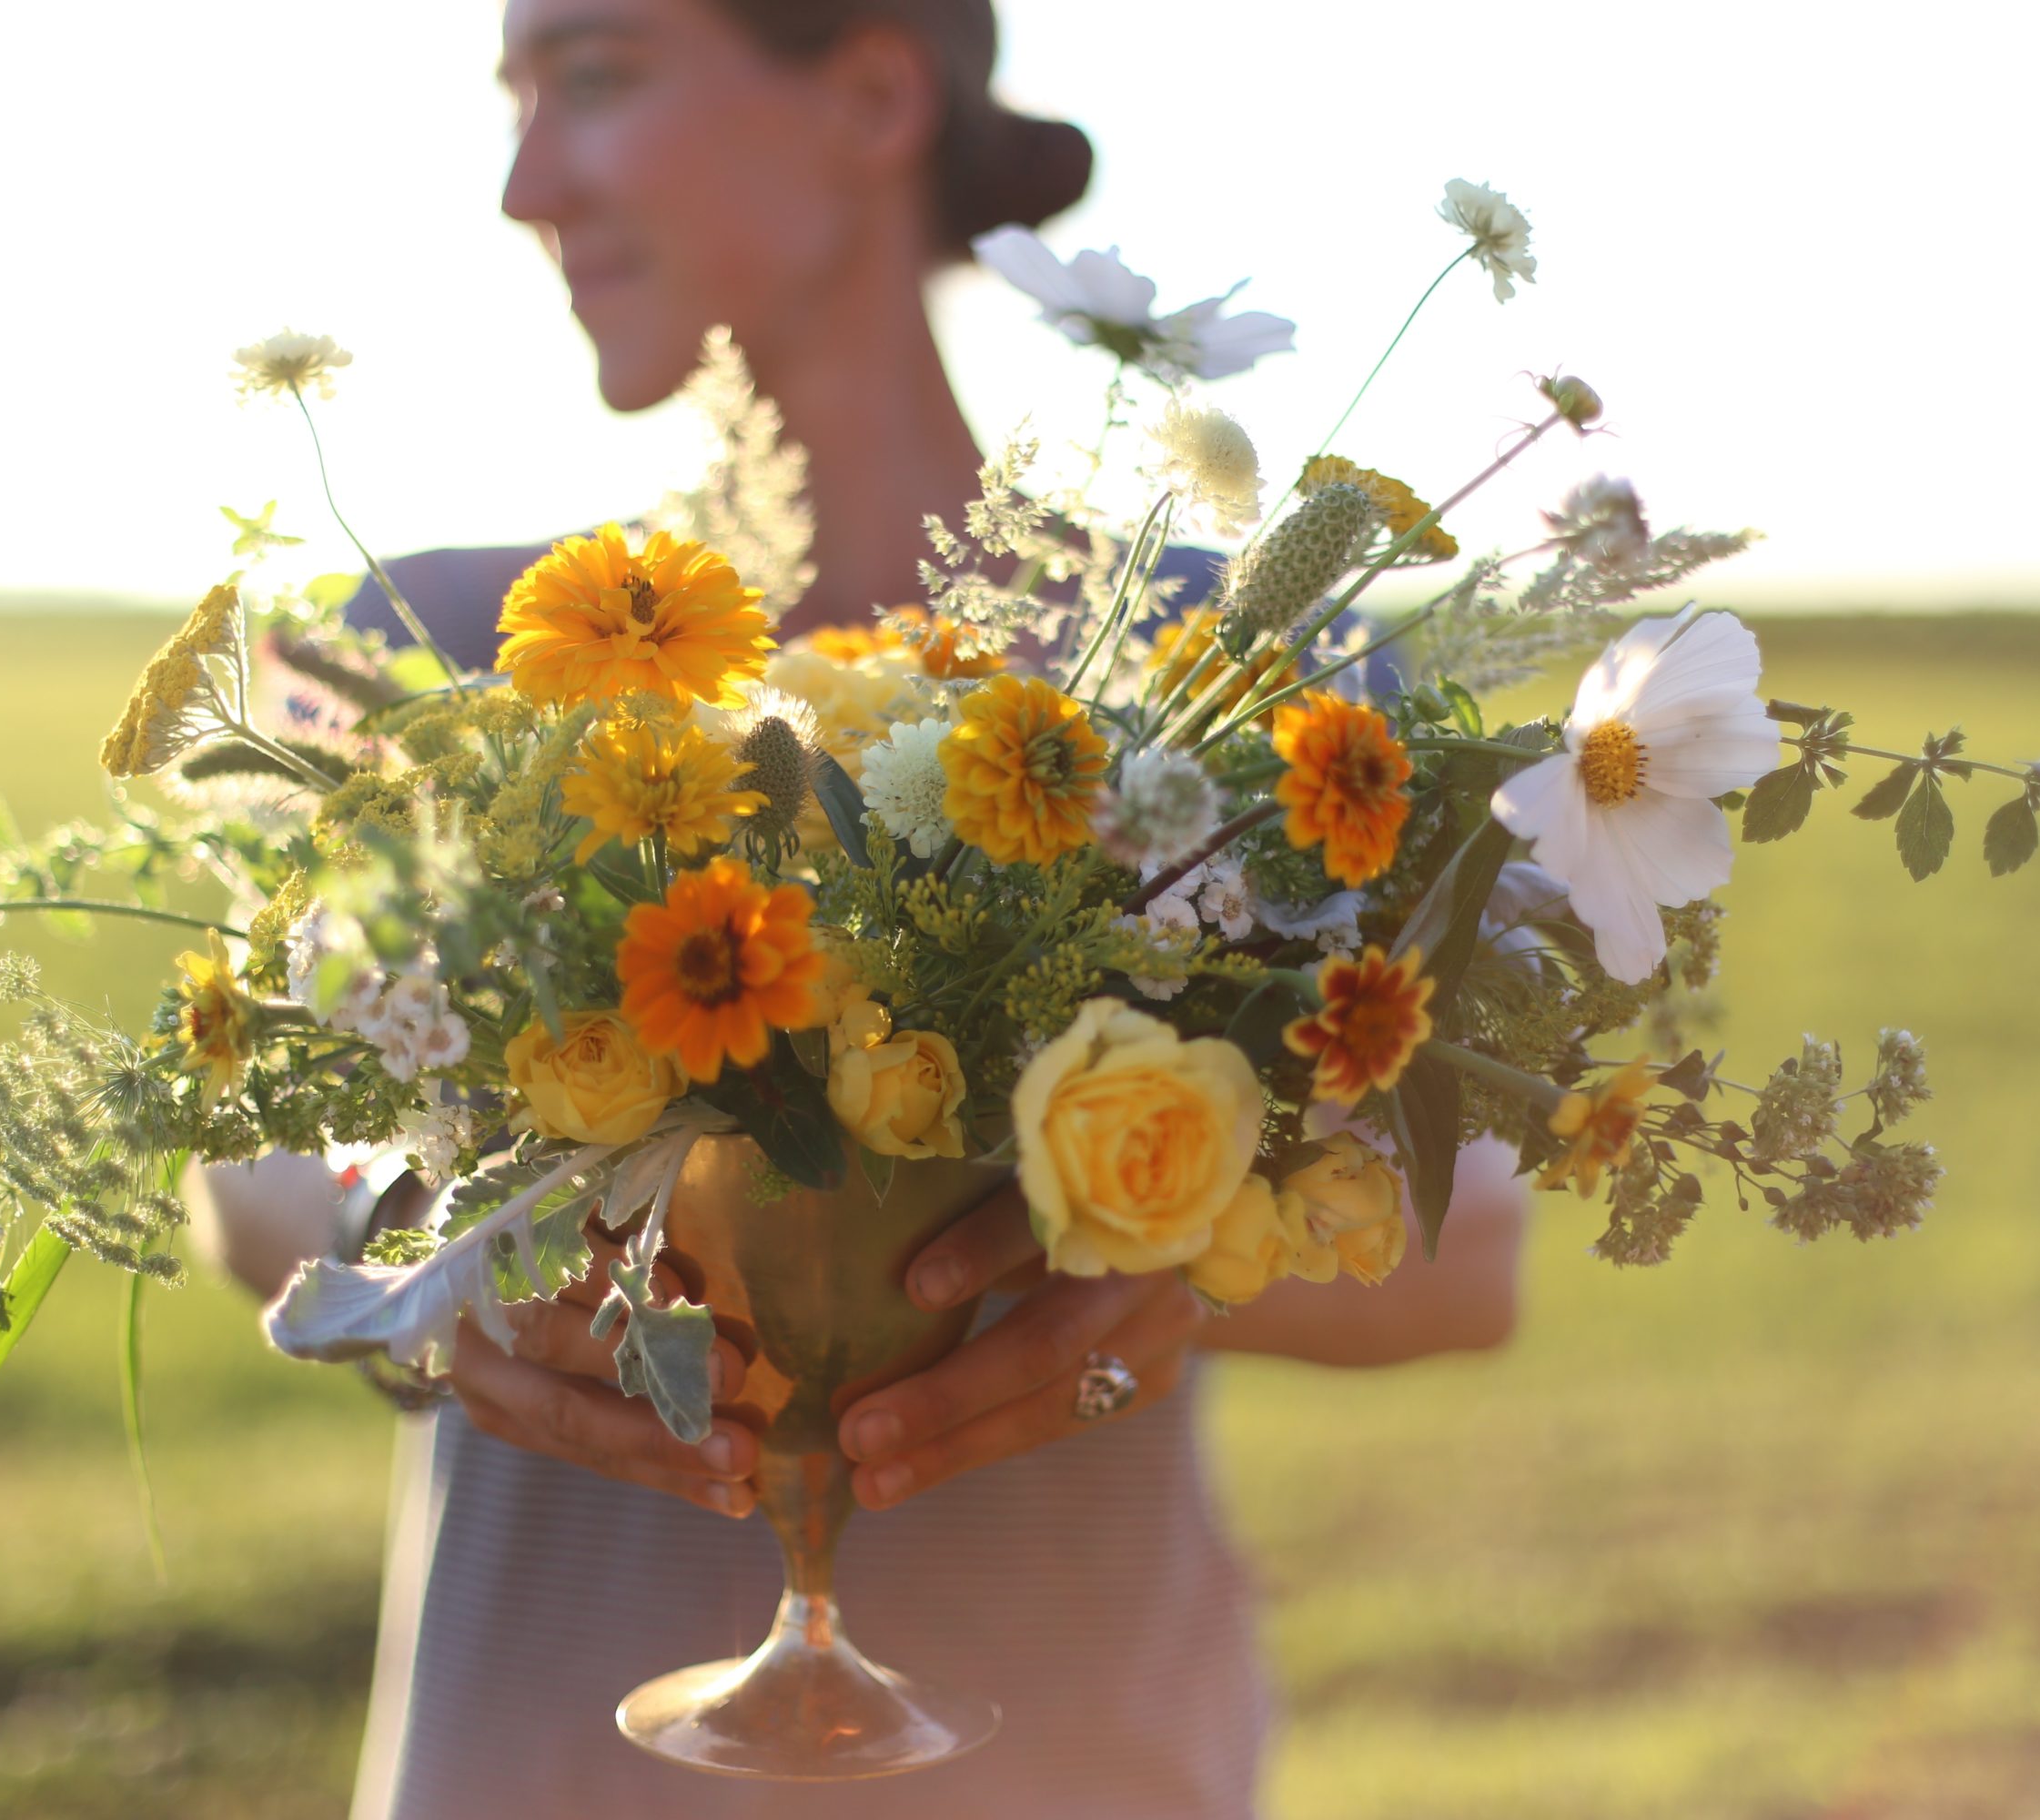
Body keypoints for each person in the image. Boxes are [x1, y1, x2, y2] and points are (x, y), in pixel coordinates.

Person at [193, 1, 1532, 1813]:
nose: (523, 183)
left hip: (1066, 1757)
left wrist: (1171, 1258)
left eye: (592, 75)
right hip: (545, 1754)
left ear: (873, 89)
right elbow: (241, 1169)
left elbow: (1474, 1239)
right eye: (512, 98)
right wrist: (453, 1251)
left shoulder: (1243, 675)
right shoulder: (425, 645)